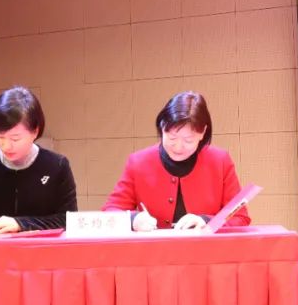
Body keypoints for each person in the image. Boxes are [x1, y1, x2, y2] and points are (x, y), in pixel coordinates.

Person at [103, 91, 250, 231]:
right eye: (172, 138)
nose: (178, 147)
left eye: (188, 140)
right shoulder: (138, 162)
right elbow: (110, 212)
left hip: (206, 248)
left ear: (203, 133)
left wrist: (206, 221)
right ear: (162, 128)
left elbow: (239, 216)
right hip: (154, 248)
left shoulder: (220, 161)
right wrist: (132, 219)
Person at [0, 86, 77, 234]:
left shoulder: (56, 166)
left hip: (40, 248)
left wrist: (21, 224)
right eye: (0, 137)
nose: (6, 146)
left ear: (35, 131)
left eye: (15, 138)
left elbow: (68, 220)